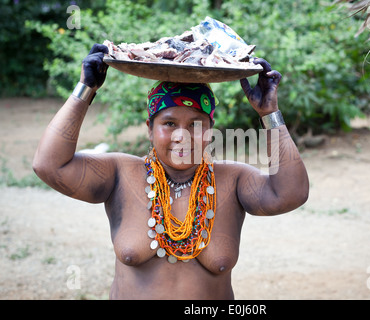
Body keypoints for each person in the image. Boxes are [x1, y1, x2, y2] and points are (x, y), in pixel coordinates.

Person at [33, 43, 309, 299]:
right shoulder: (121, 173)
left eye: (195, 124)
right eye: (169, 123)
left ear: (209, 131)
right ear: (150, 130)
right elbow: (49, 165)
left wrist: (269, 112)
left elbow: (291, 194)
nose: (182, 135)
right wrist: (86, 88)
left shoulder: (233, 180)